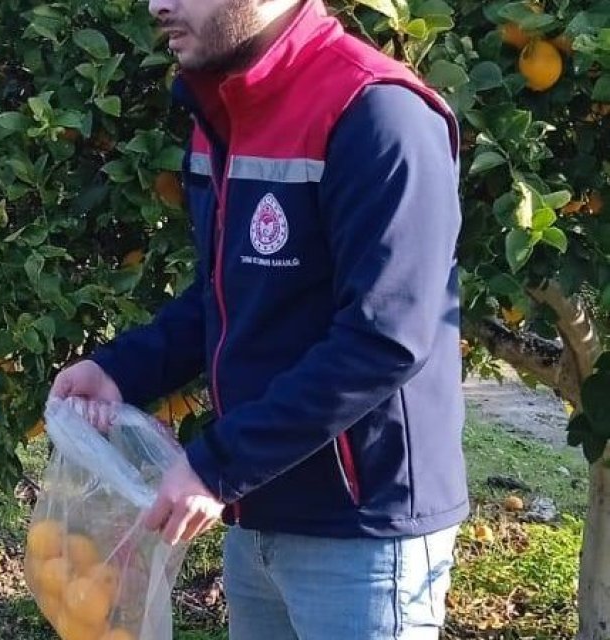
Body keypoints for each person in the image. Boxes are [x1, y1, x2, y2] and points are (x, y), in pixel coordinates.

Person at [48, 0, 467, 637]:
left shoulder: (376, 112)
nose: (158, 5)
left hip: (361, 534)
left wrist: (219, 464)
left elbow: (385, 337)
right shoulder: (223, 110)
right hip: (256, 505)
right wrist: (120, 370)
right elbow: (225, 294)